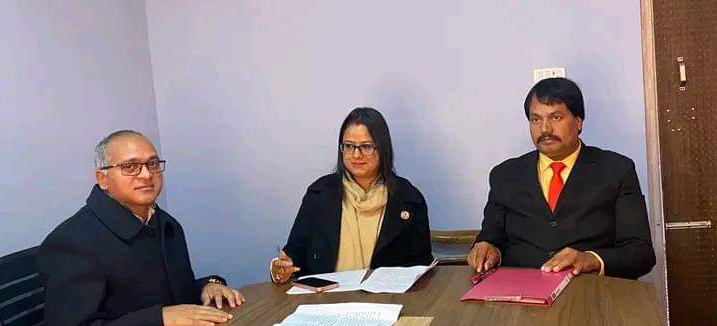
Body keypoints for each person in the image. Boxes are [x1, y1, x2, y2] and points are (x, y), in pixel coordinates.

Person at [40, 130, 245, 326]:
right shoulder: (72, 241)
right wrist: (159, 318)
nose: (147, 175)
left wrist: (208, 285)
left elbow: (169, 296)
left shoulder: (165, 224)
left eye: (153, 164)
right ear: (102, 178)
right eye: (130, 167)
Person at [468, 78, 656, 279]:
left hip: (591, 289)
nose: (545, 129)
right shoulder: (505, 175)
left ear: (578, 122)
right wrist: (487, 249)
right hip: (523, 291)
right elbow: (490, 239)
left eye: (556, 117)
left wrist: (591, 260)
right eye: (536, 119)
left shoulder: (616, 169)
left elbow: (641, 253)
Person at [271, 107, 433, 282]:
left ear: (383, 149)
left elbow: (420, 267)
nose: (356, 155)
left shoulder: (409, 200)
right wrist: (282, 268)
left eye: (366, 147)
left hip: (386, 297)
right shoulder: (319, 195)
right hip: (326, 295)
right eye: (349, 146)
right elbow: (294, 254)